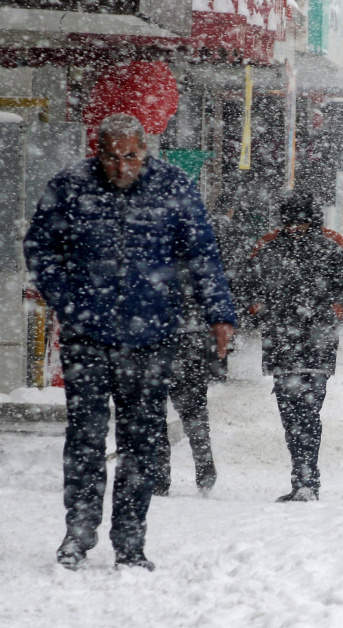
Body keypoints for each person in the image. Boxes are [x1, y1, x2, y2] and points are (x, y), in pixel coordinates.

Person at [23, 113, 237, 571]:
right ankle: (78, 532)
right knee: (85, 436)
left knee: (142, 441)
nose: (122, 167)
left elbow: (201, 253)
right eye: (112, 158)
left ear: (146, 150)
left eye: (132, 156)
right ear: (97, 154)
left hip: (151, 334)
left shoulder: (173, 186)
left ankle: (130, 541)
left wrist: (219, 313)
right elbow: (40, 249)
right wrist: (68, 300)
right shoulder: (70, 186)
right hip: (87, 334)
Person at [243, 191, 343, 502]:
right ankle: (304, 478)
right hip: (284, 344)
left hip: (314, 344)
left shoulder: (332, 245)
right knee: (291, 414)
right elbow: (246, 284)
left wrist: (338, 311)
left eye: (302, 222)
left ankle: (306, 479)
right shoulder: (268, 246)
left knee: (307, 413)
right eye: (291, 222)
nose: (296, 228)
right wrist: (257, 309)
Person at [151, 268, 220, 497]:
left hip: (161, 338)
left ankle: (160, 477)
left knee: (156, 412)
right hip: (186, 337)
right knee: (191, 411)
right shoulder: (192, 255)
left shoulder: (145, 252)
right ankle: (203, 469)